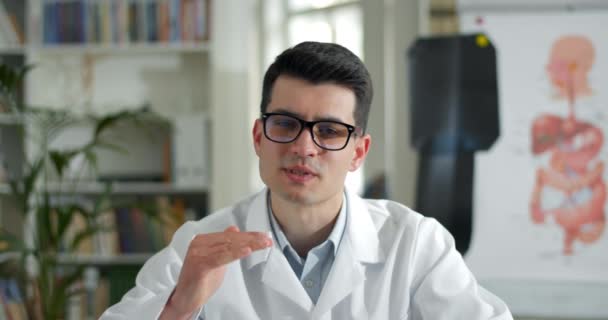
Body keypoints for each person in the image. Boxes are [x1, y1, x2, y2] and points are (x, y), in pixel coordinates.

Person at [101, 41, 513, 319]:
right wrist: (178, 308)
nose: (304, 148)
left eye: (330, 131)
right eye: (285, 124)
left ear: (358, 152)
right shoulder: (200, 246)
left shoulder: (416, 243)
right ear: (259, 137)